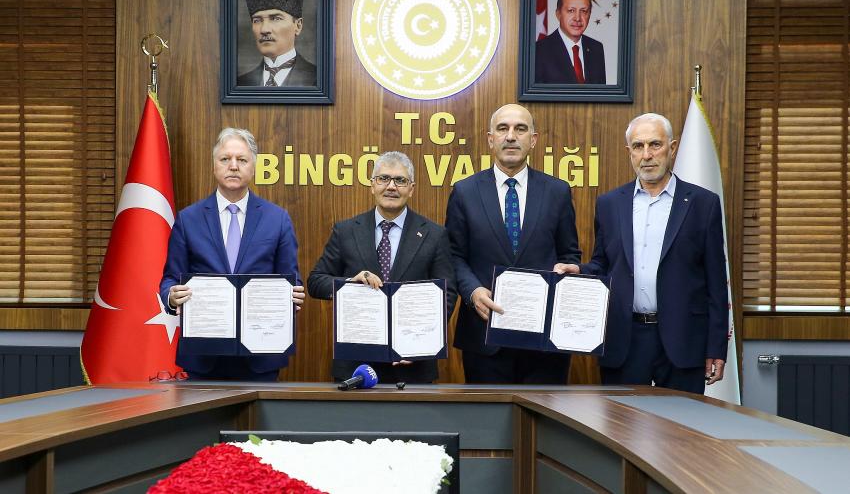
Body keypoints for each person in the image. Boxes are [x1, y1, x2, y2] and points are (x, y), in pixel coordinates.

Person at [567, 113, 728, 393]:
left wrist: (716, 347)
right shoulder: (609, 204)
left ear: (672, 148)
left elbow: (716, 283)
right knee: (621, 419)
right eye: (638, 146)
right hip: (625, 338)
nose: (647, 155)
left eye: (655, 144)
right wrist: (579, 270)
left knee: (681, 420)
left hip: (683, 339)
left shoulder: (703, 204)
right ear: (629, 152)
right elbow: (603, 264)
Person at [445, 104, 581, 384]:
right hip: (485, 337)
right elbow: (454, 256)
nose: (510, 136)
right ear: (490, 139)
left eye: (520, 129)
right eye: (502, 129)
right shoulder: (465, 191)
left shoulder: (557, 191)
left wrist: (566, 270)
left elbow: (569, 254)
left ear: (533, 140)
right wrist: (472, 292)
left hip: (545, 341)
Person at [159, 128, 305, 381]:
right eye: (225, 159)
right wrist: (171, 297)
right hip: (203, 356)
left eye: (242, 159)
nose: (233, 166)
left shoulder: (277, 219)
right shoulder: (188, 219)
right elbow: (170, 279)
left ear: (254, 167)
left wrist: (293, 295)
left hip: (260, 356)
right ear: (214, 165)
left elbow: (291, 280)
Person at [307, 151, 457, 384]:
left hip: (412, 366)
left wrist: (421, 344)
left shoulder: (434, 235)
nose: (391, 186)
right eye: (383, 178)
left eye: (400, 180)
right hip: (356, 366)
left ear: (411, 188)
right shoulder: (346, 231)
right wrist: (349, 284)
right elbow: (316, 281)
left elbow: (447, 293)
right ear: (372, 185)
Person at [236, 0, 317, 87]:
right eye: (257, 20)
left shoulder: (318, 79)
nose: (264, 29)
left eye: (275, 18)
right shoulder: (241, 83)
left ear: (298, 26)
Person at [535, 0, 606, 85]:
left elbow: (601, 92)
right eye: (571, 10)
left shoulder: (596, 48)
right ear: (558, 14)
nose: (577, 18)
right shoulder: (539, 50)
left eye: (584, 11)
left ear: (589, 15)